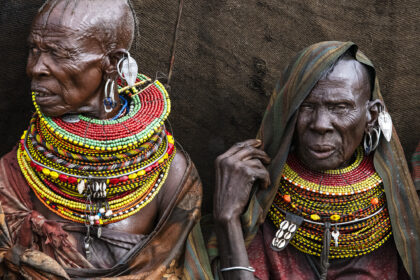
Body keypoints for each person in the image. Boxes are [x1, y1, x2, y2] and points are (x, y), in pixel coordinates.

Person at [0, 0, 202, 279]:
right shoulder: (17, 169)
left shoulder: (171, 173)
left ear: (112, 63)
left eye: (58, 54)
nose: (35, 68)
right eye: (34, 50)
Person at [210, 41, 420, 279]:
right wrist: (227, 219)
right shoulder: (258, 199)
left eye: (340, 107)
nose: (320, 124)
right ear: (289, 112)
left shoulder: (393, 212)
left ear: (371, 116)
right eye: (306, 106)